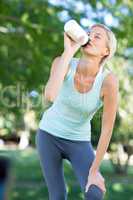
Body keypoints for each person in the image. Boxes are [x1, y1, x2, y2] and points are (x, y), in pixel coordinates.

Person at [36, 23, 119, 200]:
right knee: (58, 195)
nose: (90, 36)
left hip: (78, 141)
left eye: (97, 36)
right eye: (89, 33)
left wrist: (95, 170)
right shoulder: (62, 62)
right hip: (48, 135)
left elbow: (107, 129)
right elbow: (50, 95)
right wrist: (69, 50)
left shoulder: (108, 81)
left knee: (95, 193)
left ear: (106, 51)